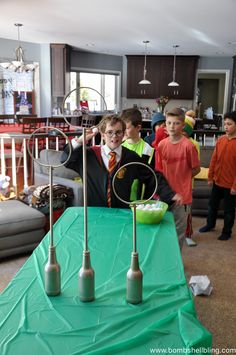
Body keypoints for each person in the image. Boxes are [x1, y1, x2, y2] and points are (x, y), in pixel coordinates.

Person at [61, 114, 181, 209]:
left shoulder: (131, 157)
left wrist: (170, 194)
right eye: (110, 132)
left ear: (123, 134)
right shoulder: (88, 156)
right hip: (93, 212)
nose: (114, 136)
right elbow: (65, 160)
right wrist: (79, 141)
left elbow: (151, 176)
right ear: (103, 135)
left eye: (118, 132)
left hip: (121, 211)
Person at [158, 108, 201, 249]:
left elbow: (196, 169)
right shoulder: (162, 145)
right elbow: (158, 171)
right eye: (169, 123)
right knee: (162, 230)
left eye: (176, 123)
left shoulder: (189, 146)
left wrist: (184, 178)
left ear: (183, 125)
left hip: (183, 197)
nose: (171, 126)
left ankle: (176, 264)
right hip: (165, 195)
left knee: (178, 233)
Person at [199, 111, 236, 240]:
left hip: (231, 185)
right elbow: (214, 159)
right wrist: (210, 176)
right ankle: (210, 224)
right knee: (212, 205)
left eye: (229, 124)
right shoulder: (220, 140)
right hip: (217, 181)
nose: (226, 126)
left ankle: (227, 232)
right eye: (225, 124)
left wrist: (234, 186)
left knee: (229, 211)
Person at [121, 108, 155, 200]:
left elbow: (150, 178)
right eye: (122, 128)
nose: (123, 131)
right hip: (120, 195)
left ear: (138, 128)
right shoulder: (119, 146)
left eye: (127, 128)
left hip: (139, 198)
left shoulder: (147, 150)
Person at [182, 110, 200, 247]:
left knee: (188, 212)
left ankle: (188, 234)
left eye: (184, 132)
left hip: (188, 184)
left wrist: (186, 178)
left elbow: (196, 166)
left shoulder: (194, 144)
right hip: (173, 184)